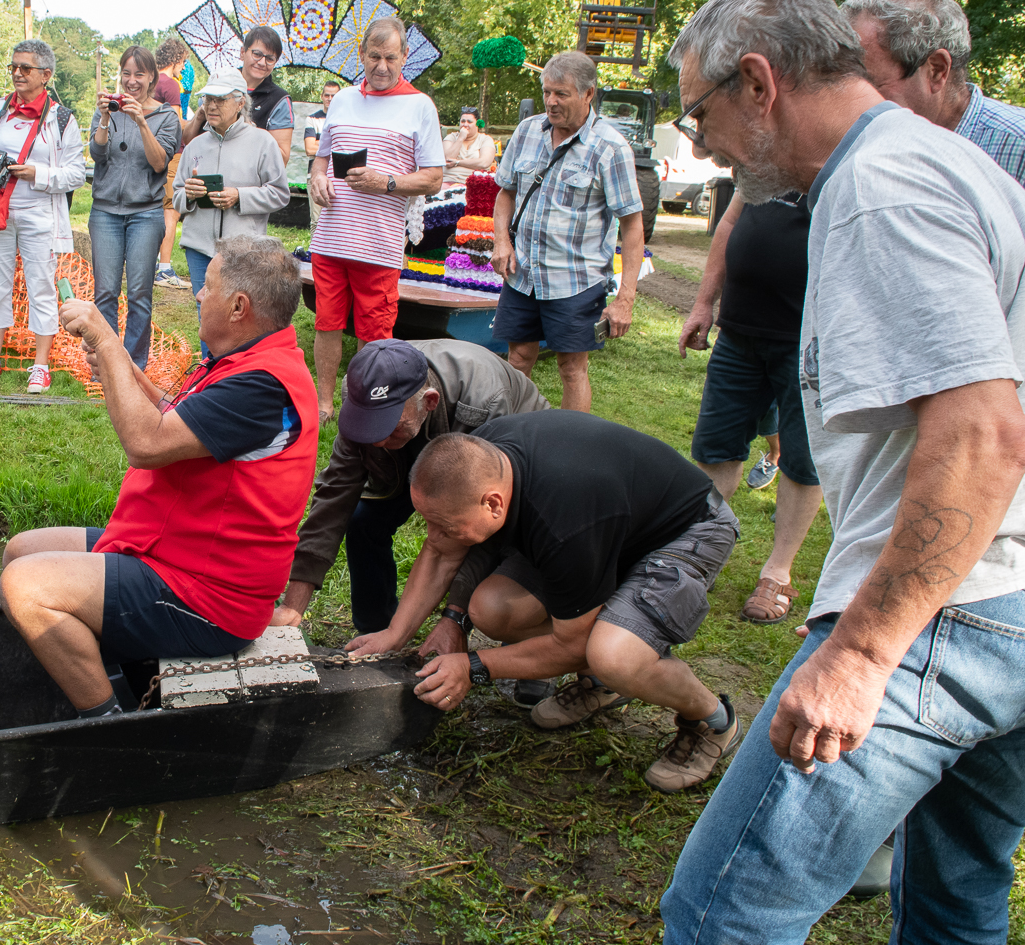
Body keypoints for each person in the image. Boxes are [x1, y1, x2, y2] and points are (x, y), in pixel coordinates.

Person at [659, 0, 1025, 943]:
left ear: (758, 82)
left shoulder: (880, 187)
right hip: (1010, 606)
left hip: (943, 615)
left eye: (700, 115)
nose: (703, 145)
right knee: (953, 900)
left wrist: (862, 654)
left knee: (721, 915)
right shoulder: (947, 162)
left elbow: (984, 431)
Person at [0, 236, 319, 715]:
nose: (197, 294)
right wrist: (124, 371)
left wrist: (108, 343)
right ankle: (104, 673)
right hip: (176, 553)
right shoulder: (250, 362)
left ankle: (106, 725)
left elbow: (147, 444)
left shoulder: (261, 385)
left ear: (238, 307)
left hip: (209, 596)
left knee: (27, 586)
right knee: (20, 550)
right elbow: (180, 420)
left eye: (207, 286)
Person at [379, 415, 744, 793]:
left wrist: (473, 667)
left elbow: (571, 644)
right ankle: (603, 684)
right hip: (608, 525)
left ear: (493, 503)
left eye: (445, 526)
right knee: (492, 608)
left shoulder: (564, 524)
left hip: (688, 528)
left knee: (613, 656)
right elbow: (441, 552)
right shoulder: (474, 458)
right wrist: (394, 634)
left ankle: (712, 721)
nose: (434, 535)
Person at [274, 338, 551, 641]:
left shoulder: (484, 403)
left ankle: (525, 644)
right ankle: (376, 629)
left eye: (388, 427)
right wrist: (293, 605)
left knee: (476, 544)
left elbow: (484, 528)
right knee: (363, 521)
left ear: (429, 401)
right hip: (420, 440)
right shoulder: (365, 397)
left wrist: (454, 618)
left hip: (509, 460)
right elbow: (334, 496)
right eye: (369, 428)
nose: (377, 441)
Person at [678, 189, 824, 624]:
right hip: (739, 333)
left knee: (802, 458)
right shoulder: (761, 166)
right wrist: (704, 302)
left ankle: (777, 573)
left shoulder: (842, 168)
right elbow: (728, 223)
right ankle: (699, 552)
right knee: (714, 447)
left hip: (810, 341)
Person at [307, 17, 446, 422]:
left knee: (374, 333)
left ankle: (364, 406)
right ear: (361, 54)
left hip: (379, 244)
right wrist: (318, 179)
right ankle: (324, 403)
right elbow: (321, 159)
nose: (381, 66)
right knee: (327, 324)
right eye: (374, 57)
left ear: (405, 56)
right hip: (332, 237)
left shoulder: (420, 106)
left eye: (390, 57)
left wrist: (385, 182)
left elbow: (434, 179)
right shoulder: (343, 100)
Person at [491, 52, 644, 413]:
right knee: (517, 359)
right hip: (523, 275)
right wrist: (502, 241)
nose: (551, 102)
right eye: (546, 92)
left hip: (575, 281)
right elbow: (506, 192)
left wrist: (625, 298)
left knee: (572, 369)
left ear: (588, 94)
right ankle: (514, 437)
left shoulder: (610, 148)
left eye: (561, 94)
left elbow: (632, 225)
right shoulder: (527, 131)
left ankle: (570, 444)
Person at [0, 39, 86, 391]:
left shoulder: (61, 119)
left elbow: (76, 173)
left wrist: (37, 174)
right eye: (14, 67)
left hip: (39, 214)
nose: (17, 73)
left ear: (45, 75)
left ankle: (41, 365)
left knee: (41, 288)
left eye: (26, 68)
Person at [842, 0, 1025, 187]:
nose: (854, 102)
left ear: (937, 70)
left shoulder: (1017, 147)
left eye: (871, 85)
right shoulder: (868, 145)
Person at [173, 67, 290, 350]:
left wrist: (240, 196)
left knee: (241, 319)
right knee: (207, 316)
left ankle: (238, 371)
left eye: (220, 99)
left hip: (242, 253)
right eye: (207, 99)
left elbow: (280, 194)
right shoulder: (195, 145)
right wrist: (189, 195)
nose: (211, 106)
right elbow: (175, 196)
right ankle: (211, 370)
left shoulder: (262, 142)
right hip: (199, 248)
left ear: (240, 103)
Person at [88, 46, 182, 369]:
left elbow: (159, 163)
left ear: (152, 77)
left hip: (146, 214)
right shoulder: (108, 109)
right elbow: (97, 155)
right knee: (105, 293)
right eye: (126, 73)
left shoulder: (166, 117)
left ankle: (134, 367)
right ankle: (108, 364)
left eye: (139, 74)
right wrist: (104, 118)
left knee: (140, 295)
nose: (131, 81)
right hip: (105, 213)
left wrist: (142, 122)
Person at [183, 26, 294, 166]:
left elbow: (281, 160)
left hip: (248, 175)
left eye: (270, 58)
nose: (262, 62)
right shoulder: (219, 82)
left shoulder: (279, 100)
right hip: (208, 170)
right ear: (243, 52)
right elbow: (189, 142)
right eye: (257, 54)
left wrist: (250, 132)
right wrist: (200, 115)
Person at [152, 36, 192, 290]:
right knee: (171, 210)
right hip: (172, 153)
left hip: (152, 153)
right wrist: (199, 124)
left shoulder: (150, 82)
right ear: (176, 60)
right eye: (183, 62)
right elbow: (177, 125)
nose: (184, 67)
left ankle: (152, 264)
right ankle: (164, 269)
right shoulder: (170, 85)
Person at [441, 107, 496, 184]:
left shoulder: (486, 139)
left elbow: (484, 163)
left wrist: (457, 162)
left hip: (476, 183)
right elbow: (447, 159)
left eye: (469, 122)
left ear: (477, 124)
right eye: (463, 121)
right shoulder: (451, 137)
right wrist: (461, 138)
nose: (465, 124)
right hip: (450, 180)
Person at [302, 80, 340, 157]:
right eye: (327, 95)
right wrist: (335, 146)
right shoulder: (312, 119)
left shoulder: (344, 120)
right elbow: (309, 149)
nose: (330, 99)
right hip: (315, 163)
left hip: (336, 163)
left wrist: (318, 143)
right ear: (321, 96)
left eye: (333, 96)